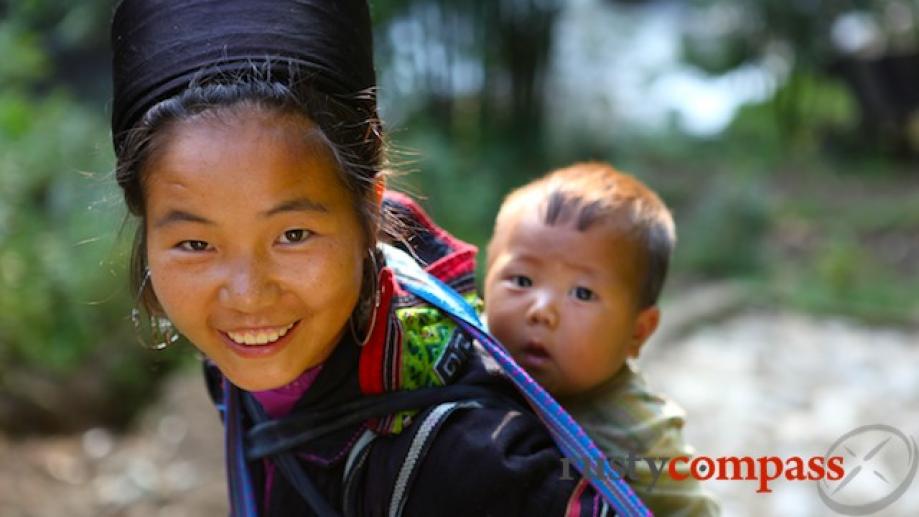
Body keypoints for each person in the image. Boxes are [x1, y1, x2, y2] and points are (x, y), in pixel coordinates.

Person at [109, 1, 647, 515]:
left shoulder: (471, 470)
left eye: (293, 234)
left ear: (370, 212)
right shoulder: (246, 372)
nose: (248, 295)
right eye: (197, 245)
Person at [484, 162, 720, 515]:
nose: (541, 310)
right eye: (521, 280)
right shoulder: (464, 345)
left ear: (637, 332)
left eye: (581, 293)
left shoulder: (636, 435)